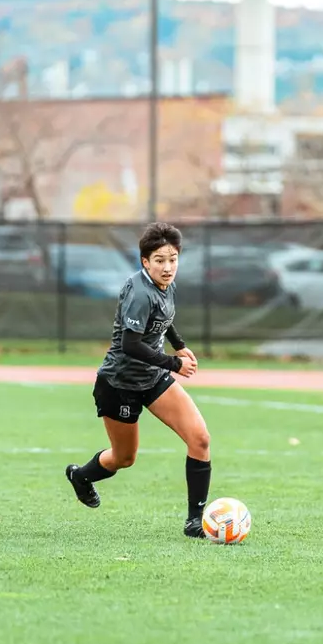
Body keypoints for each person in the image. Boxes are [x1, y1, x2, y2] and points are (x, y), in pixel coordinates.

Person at [65, 221, 213, 538]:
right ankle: (80, 476)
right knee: (124, 458)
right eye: (159, 260)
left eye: (172, 258)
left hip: (153, 377)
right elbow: (132, 345)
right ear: (145, 261)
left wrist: (182, 346)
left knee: (199, 439)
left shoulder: (166, 283)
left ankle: (194, 522)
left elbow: (165, 319)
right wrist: (174, 363)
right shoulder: (140, 294)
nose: (168, 266)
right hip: (119, 384)